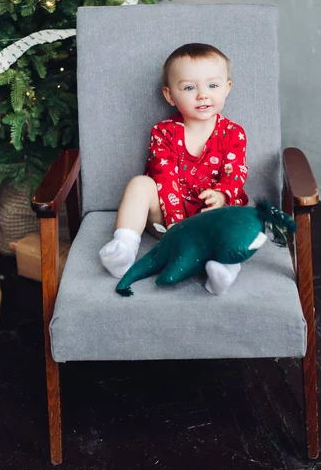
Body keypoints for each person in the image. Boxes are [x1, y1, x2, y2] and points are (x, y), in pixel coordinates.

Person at [99, 43, 249, 295]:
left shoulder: (233, 133)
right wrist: (177, 226)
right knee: (140, 184)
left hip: (209, 218)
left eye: (212, 86)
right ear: (170, 96)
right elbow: (164, 177)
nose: (202, 95)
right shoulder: (164, 132)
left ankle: (224, 269)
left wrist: (221, 195)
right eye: (190, 88)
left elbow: (236, 173)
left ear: (227, 89)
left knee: (237, 219)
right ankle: (123, 247)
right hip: (167, 221)